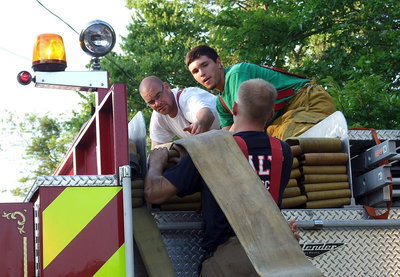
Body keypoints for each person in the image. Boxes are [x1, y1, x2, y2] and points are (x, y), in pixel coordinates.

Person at [144, 79, 296, 276]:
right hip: (274, 259)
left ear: (234, 108)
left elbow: (154, 193)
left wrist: (157, 160)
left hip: (227, 263)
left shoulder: (210, 149)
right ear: (270, 114)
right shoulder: (283, 152)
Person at [185, 45, 336, 140]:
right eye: (195, 71)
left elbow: (243, 121)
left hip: (307, 101)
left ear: (218, 62)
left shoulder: (237, 73)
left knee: (290, 143)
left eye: (204, 65)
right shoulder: (221, 103)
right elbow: (229, 136)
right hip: (283, 119)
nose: (202, 73)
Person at [139, 75, 220, 149]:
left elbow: (207, 114)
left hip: (229, 134)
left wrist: (200, 123)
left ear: (166, 87)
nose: (157, 103)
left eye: (158, 95)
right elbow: (156, 149)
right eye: (151, 102)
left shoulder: (187, 97)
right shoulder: (158, 115)